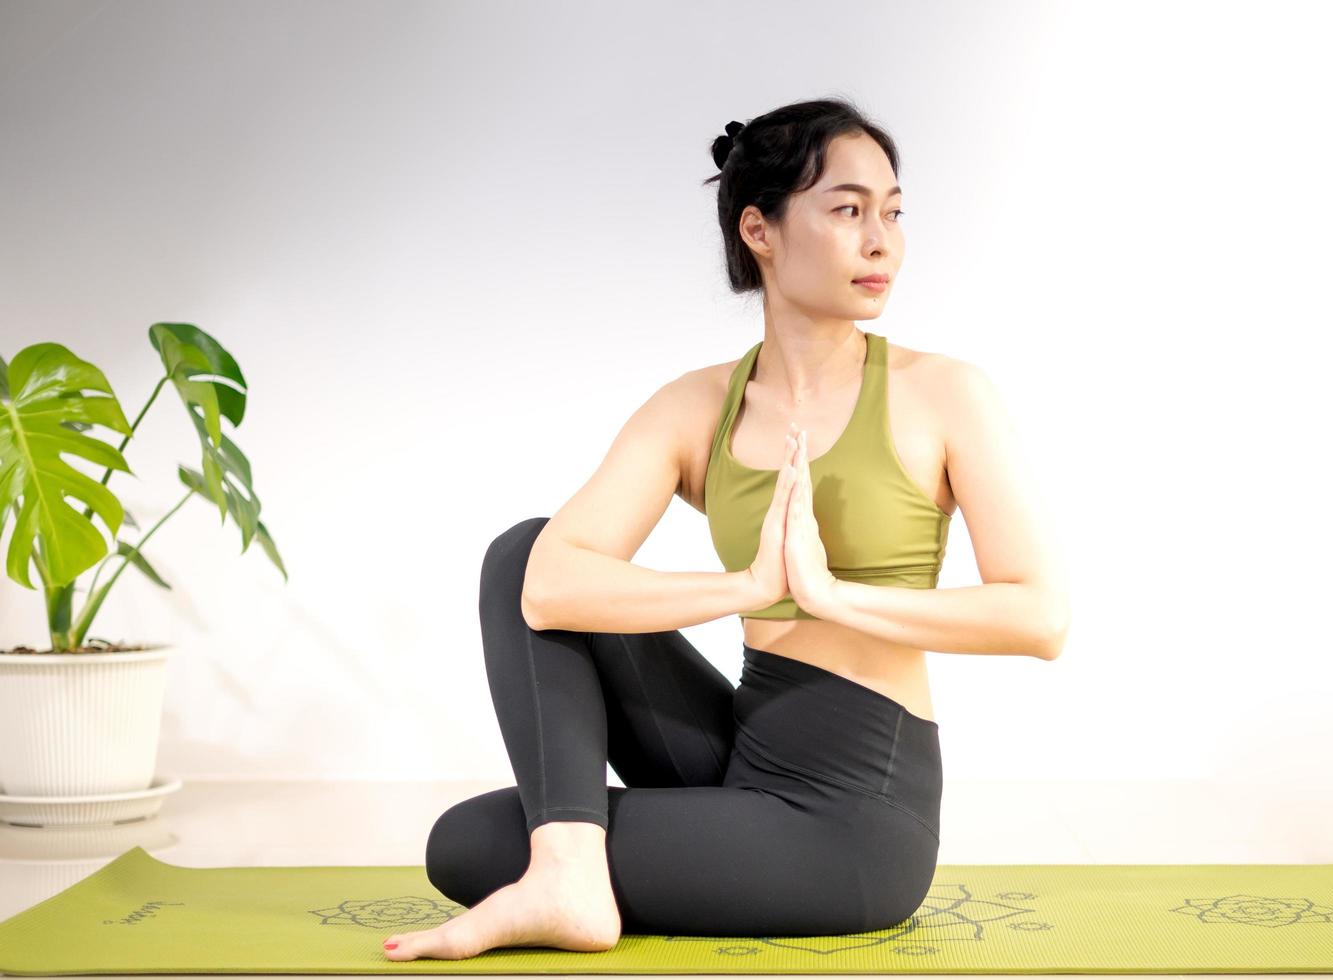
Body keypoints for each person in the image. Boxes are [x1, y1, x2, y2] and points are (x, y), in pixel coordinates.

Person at [383, 97, 1068, 961]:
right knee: (521, 561)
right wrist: (746, 590)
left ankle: (571, 877)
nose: (881, 241)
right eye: (848, 209)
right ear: (760, 229)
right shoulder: (697, 406)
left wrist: (831, 596)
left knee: (476, 849)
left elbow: (1039, 617)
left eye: (893, 212)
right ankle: (569, 872)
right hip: (743, 745)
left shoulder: (945, 396)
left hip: (855, 815)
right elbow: (551, 585)